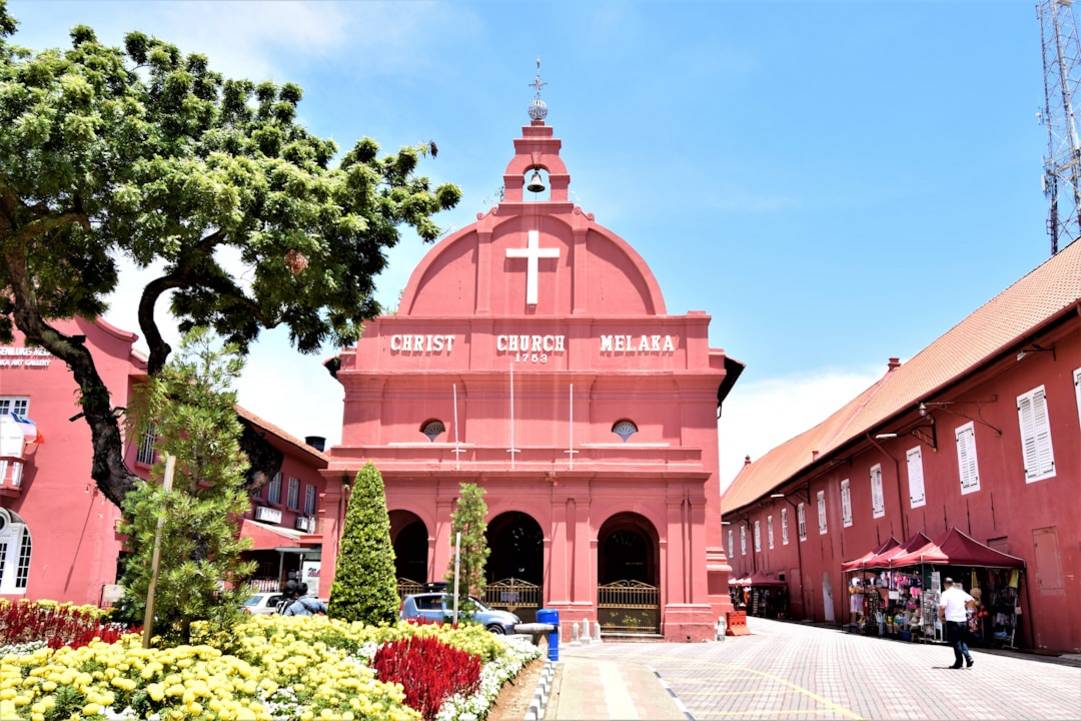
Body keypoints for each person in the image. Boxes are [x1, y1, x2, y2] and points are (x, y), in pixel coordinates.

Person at [939, 577, 974, 669]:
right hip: (963, 620)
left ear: (945, 584)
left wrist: (940, 616)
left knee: (956, 642)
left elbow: (942, 606)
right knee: (962, 641)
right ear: (953, 584)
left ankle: (959, 662)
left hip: (952, 620)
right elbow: (971, 600)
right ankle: (968, 657)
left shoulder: (945, 593)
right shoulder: (960, 592)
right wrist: (966, 607)